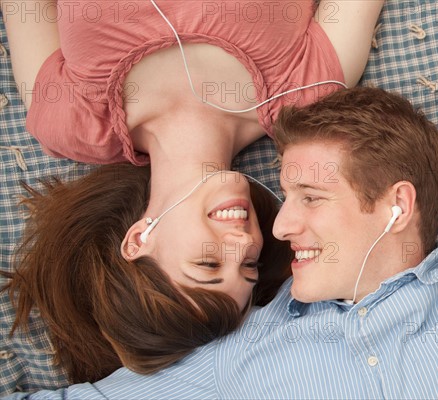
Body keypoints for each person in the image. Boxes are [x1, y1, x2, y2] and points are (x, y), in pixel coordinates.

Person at [7, 86, 438, 399]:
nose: (279, 229)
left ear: (397, 205)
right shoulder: (235, 357)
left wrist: (423, 168)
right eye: (286, 200)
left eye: (310, 198)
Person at [0, 0, 385, 385]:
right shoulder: (309, 89)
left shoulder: (69, 121)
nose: (243, 243)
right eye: (249, 265)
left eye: (208, 264)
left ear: (138, 240)